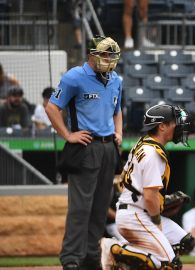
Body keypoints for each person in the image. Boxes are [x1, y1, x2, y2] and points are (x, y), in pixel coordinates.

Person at [45, 36, 122, 270]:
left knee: (101, 207)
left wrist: (119, 133)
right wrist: (68, 135)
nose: (109, 59)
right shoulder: (74, 77)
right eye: (105, 54)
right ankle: (71, 259)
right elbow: (51, 107)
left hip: (109, 147)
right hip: (85, 146)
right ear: (92, 54)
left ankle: (91, 257)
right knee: (80, 207)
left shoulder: (116, 79)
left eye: (111, 54)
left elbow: (118, 110)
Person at [99, 104, 193, 270]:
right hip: (136, 215)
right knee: (170, 265)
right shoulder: (152, 153)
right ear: (162, 126)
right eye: (174, 123)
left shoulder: (144, 143)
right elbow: (150, 196)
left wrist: (163, 202)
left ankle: (128, 260)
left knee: (184, 242)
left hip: (137, 209)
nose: (178, 126)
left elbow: (146, 192)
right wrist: (157, 221)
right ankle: (116, 250)